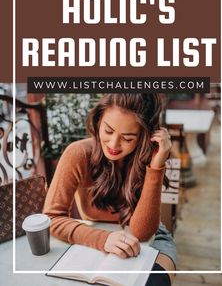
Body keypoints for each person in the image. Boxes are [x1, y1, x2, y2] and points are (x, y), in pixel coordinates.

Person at [43, 93, 176, 285]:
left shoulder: (149, 157)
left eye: (128, 138)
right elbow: (52, 218)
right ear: (98, 122)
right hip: (93, 238)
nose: (113, 144)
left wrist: (156, 167)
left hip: (152, 239)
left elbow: (142, 233)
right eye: (108, 131)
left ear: (143, 136)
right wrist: (103, 239)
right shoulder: (78, 153)